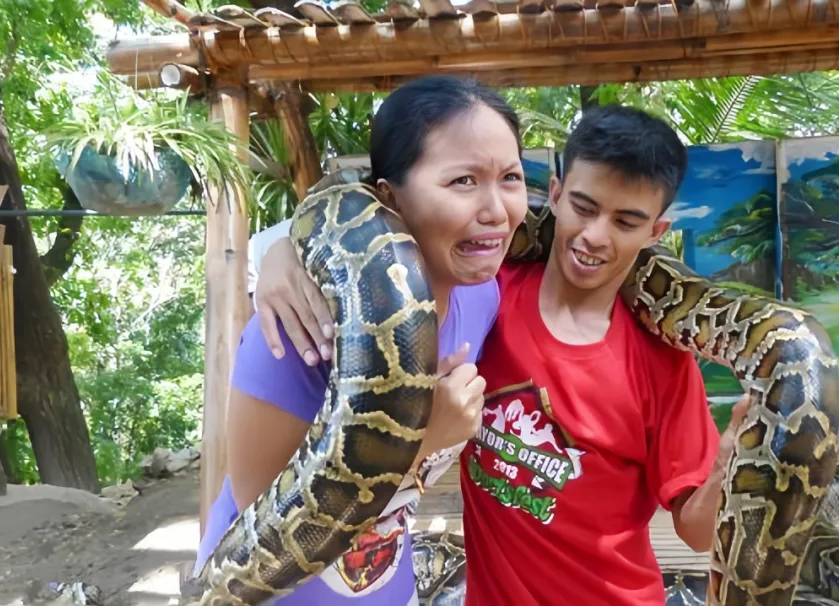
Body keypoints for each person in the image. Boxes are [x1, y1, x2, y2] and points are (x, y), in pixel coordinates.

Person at [255, 104, 751, 605]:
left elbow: (698, 533)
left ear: (655, 234)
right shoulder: (487, 296)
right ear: (554, 195)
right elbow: (389, 235)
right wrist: (283, 252)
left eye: (626, 222)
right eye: (583, 207)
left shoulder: (664, 364)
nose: (595, 236)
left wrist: (731, 466)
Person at [193, 75, 529, 606]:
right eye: (463, 181)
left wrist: (284, 246)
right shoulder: (297, 334)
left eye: (511, 177)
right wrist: (424, 439)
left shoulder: (482, 297)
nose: (496, 209)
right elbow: (276, 534)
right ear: (388, 196)